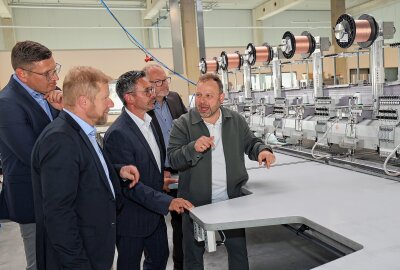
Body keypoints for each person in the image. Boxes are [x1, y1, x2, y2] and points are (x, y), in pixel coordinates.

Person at [31, 66, 139, 270]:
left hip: (94, 250)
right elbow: (58, 214)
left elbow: (83, 173)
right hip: (78, 258)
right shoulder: (60, 140)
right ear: (83, 101)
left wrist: (116, 171)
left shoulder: (80, 131)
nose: (110, 103)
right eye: (105, 97)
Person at [167, 74, 276, 270]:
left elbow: (251, 142)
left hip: (231, 200)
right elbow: (173, 159)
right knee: (192, 257)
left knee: (238, 253)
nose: (202, 101)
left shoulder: (235, 120)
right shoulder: (182, 124)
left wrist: (263, 150)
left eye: (209, 95)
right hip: (195, 204)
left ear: (221, 98)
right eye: (198, 95)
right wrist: (192, 148)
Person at [103, 70, 193, 270]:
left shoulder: (149, 122)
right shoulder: (118, 134)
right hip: (131, 220)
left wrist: (160, 179)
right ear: (129, 98)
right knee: (130, 264)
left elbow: (151, 163)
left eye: (152, 89)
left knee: (160, 257)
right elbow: (129, 186)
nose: (153, 94)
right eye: (147, 90)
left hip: (153, 215)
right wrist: (168, 201)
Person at [0, 40, 63, 270]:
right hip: (33, 197)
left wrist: (63, 111)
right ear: (22, 74)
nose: (55, 78)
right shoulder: (7, 104)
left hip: (56, 195)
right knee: (40, 262)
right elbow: (33, 155)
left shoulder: (50, 93)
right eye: (47, 73)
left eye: (55, 69)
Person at [143, 64, 188, 270]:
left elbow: (189, 123)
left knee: (182, 223)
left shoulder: (175, 98)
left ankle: (181, 265)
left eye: (165, 79)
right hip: (161, 174)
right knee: (155, 225)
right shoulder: (144, 108)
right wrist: (159, 170)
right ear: (148, 86)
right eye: (158, 82)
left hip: (183, 170)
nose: (164, 85)